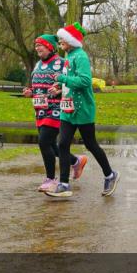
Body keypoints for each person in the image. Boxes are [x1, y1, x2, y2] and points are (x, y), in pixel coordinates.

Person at [47, 22, 120, 198]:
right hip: (68, 109)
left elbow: (85, 81)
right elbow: (70, 82)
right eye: (60, 39)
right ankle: (64, 184)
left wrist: (63, 77)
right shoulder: (68, 57)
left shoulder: (80, 57)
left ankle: (110, 175)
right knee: (62, 143)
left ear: (72, 40)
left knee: (90, 144)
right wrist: (59, 88)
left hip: (83, 109)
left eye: (63, 38)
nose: (60, 41)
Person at [23, 34, 87, 192]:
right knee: (51, 145)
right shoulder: (38, 64)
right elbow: (36, 84)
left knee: (44, 142)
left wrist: (58, 90)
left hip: (56, 109)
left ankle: (51, 179)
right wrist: (30, 91)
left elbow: (69, 83)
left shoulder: (61, 62)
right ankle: (76, 161)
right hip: (40, 110)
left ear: (50, 47)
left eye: (41, 46)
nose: (37, 48)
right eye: (36, 46)